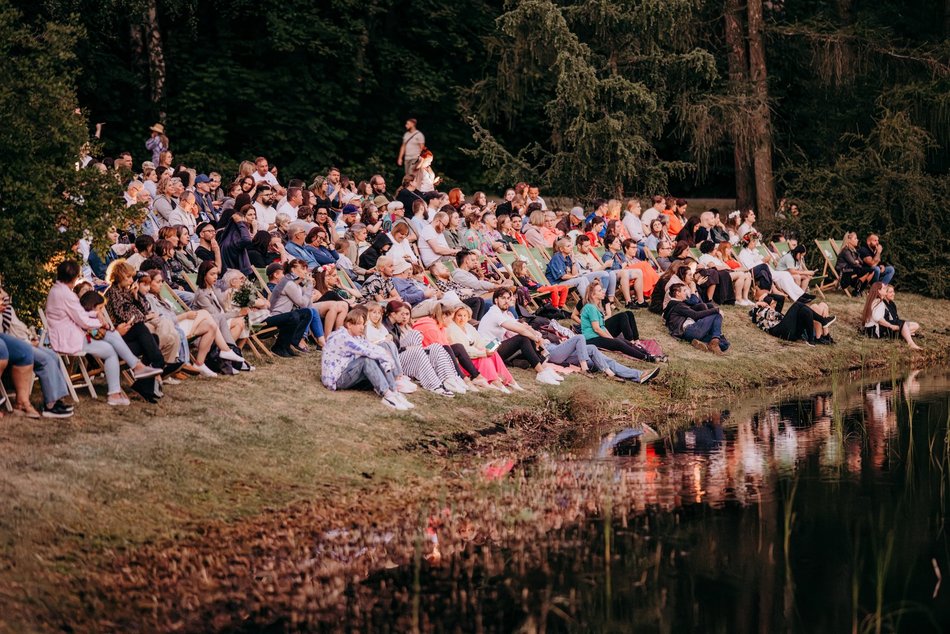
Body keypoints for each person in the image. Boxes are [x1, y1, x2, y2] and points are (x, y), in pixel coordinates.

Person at [45, 261, 162, 406]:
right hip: (69, 339)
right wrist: (103, 323)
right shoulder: (64, 294)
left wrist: (98, 318)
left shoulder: (59, 290)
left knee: (110, 344)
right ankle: (133, 370)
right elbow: (83, 320)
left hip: (73, 336)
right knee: (111, 339)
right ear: (75, 277)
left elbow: (80, 315)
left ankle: (120, 386)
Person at [143, 269, 246, 373]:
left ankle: (200, 363)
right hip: (172, 327)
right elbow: (162, 320)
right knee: (206, 315)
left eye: (161, 281)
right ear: (149, 283)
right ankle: (225, 350)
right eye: (158, 282)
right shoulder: (148, 299)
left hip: (178, 323)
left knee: (210, 325)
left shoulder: (158, 297)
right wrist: (185, 315)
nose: (161, 284)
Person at [321, 307, 414, 410]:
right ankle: (387, 395)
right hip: (337, 379)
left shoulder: (356, 336)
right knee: (367, 360)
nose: (362, 327)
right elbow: (366, 351)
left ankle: (394, 391)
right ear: (349, 325)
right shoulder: (342, 337)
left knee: (379, 354)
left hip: (349, 372)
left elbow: (371, 347)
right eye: (359, 324)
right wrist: (386, 358)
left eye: (363, 324)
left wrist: (385, 355)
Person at [0, 287, 73, 417]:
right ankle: (50, 405)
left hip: (17, 342)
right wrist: (27, 342)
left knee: (52, 355)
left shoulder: (7, 312)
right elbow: (9, 334)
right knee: (45, 359)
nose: (4, 302)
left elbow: (18, 330)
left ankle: (55, 399)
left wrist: (30, 339)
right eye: (2, 300)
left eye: (5, 300)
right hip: (11, 345)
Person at [477, 288, 564, 385]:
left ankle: (545, 368)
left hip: (496, 344)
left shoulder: (502, 313)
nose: (506, 301)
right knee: (522, 338)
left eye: (508, 298)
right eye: (503, 298)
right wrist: (537, 339)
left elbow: (520, 326)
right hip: (488, 347)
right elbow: (519, 330)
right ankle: (541, 373)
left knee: (525, 337)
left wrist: (535, 335)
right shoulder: (494, 313)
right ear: (496, 300)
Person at [383, 300, 461, 397]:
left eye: (406, 314)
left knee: (435, 347)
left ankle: (449, 378)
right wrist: (407, 348)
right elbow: (390, 349)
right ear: (393, 314)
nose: (404, 316)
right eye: (401, 314)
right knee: (416, 342)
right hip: (395, 362)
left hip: (404, 355)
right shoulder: (384, 326)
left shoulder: (396, 327)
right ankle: (435, 385)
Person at [575, 281, 659, 362]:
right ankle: (645, 357)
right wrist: (611, 339)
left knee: (624, 342)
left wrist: (611, 338)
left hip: (597, 336)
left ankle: (648, 354)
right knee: (619, 343)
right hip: (591, 339)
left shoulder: (595, 307)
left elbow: (602, 327)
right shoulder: (590, 307)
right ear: (593, 295)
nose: (603, 292)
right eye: (600, 291)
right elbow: (597, 329)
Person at [445, 304, 520, 392]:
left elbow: (480, 342)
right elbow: (463, 350)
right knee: (484, 356)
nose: (462, 318)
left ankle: (509, 380)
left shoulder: (469, 327)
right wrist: (483, 353)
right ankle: (494, 380)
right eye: (459, 315)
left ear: (468, 316)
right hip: (465, 361)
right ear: (454, 316)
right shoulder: (451, 328)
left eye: (465, 315)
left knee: (493, 352)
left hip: (475, 354)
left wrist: (491, 346)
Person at [749, 290, 836, 345]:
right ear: (766, 304)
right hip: (779, 331)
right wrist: (757, 304)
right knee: (797, 305)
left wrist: (767, 294)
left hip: (790, 331)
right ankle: (823, 321)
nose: (775, 305)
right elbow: (753, 320)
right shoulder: (760, 311)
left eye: (774, 303)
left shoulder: (775, 311)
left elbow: (781, 298)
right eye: (772, 304)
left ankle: (811, 340)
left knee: (804, 310)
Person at [663, 283, 729, 354]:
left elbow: (696, 303)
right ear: (678, 293)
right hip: (690, 330)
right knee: (717, 314)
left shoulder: (676, 304)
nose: (686, 293)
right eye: (684, 291)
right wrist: (716, 310)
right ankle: (714, 342)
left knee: (724, 344)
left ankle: (704, 343)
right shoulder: (678, 305)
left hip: (691, 334)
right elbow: (695, 315)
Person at [738, 232, 806, 301]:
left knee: (785, 274)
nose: (755, 243)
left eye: (755, 241)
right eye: (753, 242)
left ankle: (800, 295)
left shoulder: (755, 251)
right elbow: (748, 267)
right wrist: (762, 261)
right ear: (747, 242)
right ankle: (776, 291)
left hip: (767, 271)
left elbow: (763, 260)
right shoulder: (743, 253)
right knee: (764, 266)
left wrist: (765, 260)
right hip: (755, 272)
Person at [545, 237, 609, 300]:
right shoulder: (557, 258)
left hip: (565, 281)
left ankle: (591, 300)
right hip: (556, 284)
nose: (571, 247)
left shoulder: (567, 257)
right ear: (561, 249)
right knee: (580, 280)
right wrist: (575, 276)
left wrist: (573, 261)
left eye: (571, 245)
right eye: (568, 246)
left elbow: (574, 273)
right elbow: (563, 276)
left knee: (583, 278)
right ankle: (588, 301)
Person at [863, 283, 921, 349]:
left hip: (873, 329)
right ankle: (910, 343)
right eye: (884, 289)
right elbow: (878, 319)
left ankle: (904, 334)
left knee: (906, 324)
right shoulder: (878, 301)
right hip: (875, 331)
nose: (893, 293)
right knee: (902, 323)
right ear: (879, 291)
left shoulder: (878, 301)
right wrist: (891, 326)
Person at [698, 241, 753, 305]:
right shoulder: (705, 257)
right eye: (715, 249)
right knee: (741, 274)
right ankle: (738, 298)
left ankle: (745, 298)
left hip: (724, 272)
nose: (716, 250)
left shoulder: (714, 258)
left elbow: (727, 267)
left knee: (747, 275)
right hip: (719, 275)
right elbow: (713, 266)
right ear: (710, 250)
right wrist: (726, 268)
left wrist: (720, 259)